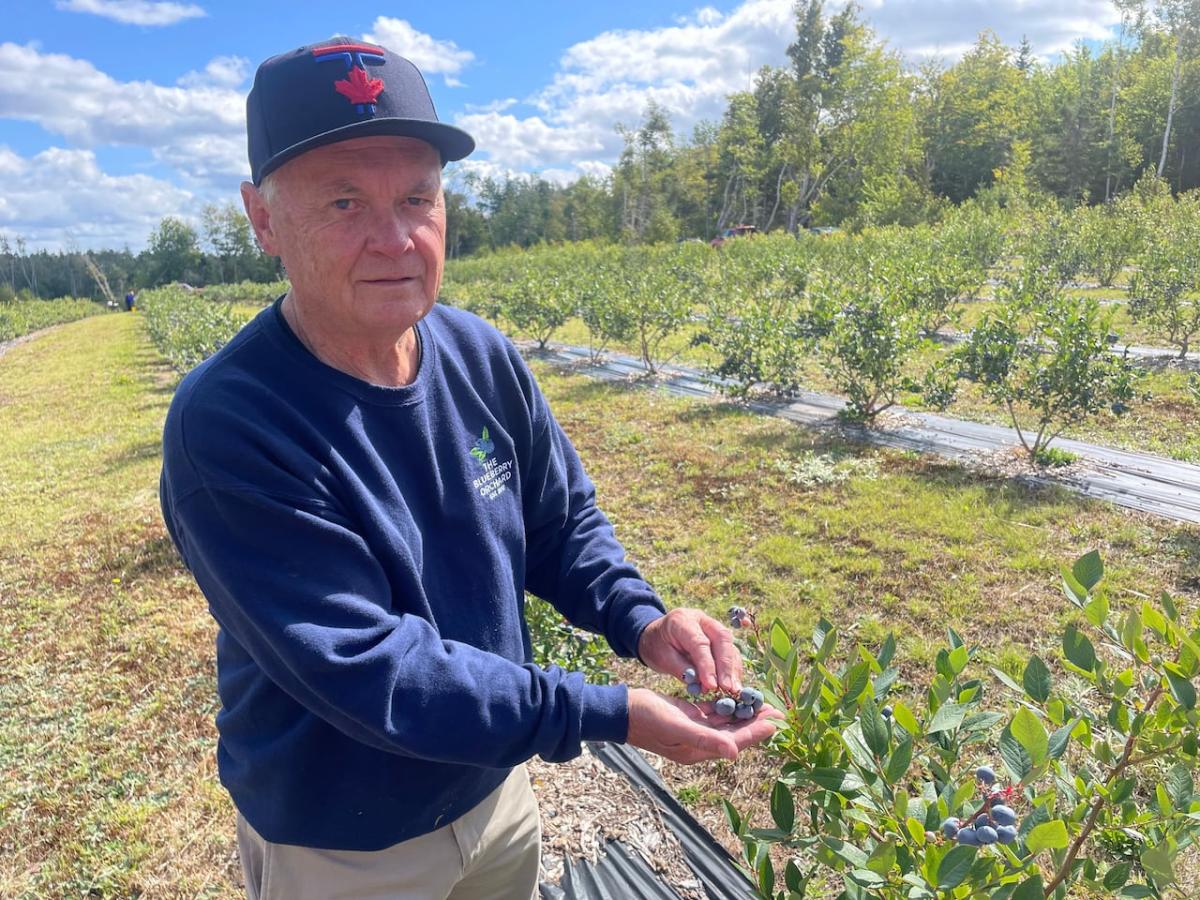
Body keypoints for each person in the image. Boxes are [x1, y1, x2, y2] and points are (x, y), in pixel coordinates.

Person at [158, 37, 780, 900]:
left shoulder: (477, 353)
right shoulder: (232, 423)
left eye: (417, 197)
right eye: (344, 202)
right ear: (262, 221)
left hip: (493, 784)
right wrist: (607, 714)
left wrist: (641, 621)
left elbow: (560, 524)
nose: (395, 238)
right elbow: (375, 670)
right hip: (346, 841)